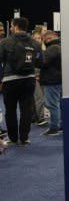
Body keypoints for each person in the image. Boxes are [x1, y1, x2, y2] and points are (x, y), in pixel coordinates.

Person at [0, 18, 39, 146]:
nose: (10, 28)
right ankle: (24, 138)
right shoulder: (35, 43)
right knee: (26, 109)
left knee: (10, 110)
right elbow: (40, 62)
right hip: (29, 80)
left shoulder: (5, 42)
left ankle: (13, 138)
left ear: (16, 26)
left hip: (10, 80)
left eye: (11, 26)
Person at [36, 31, 63, 134]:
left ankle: (54, 127)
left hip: (52, 80)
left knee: (52, 104)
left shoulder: (52, 48)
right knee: (58, 103)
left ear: (48, 39)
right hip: (59, 79)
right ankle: (60, 124)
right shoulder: (60, 46)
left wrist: (38, 55)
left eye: (43, 40)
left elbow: (42, 62)